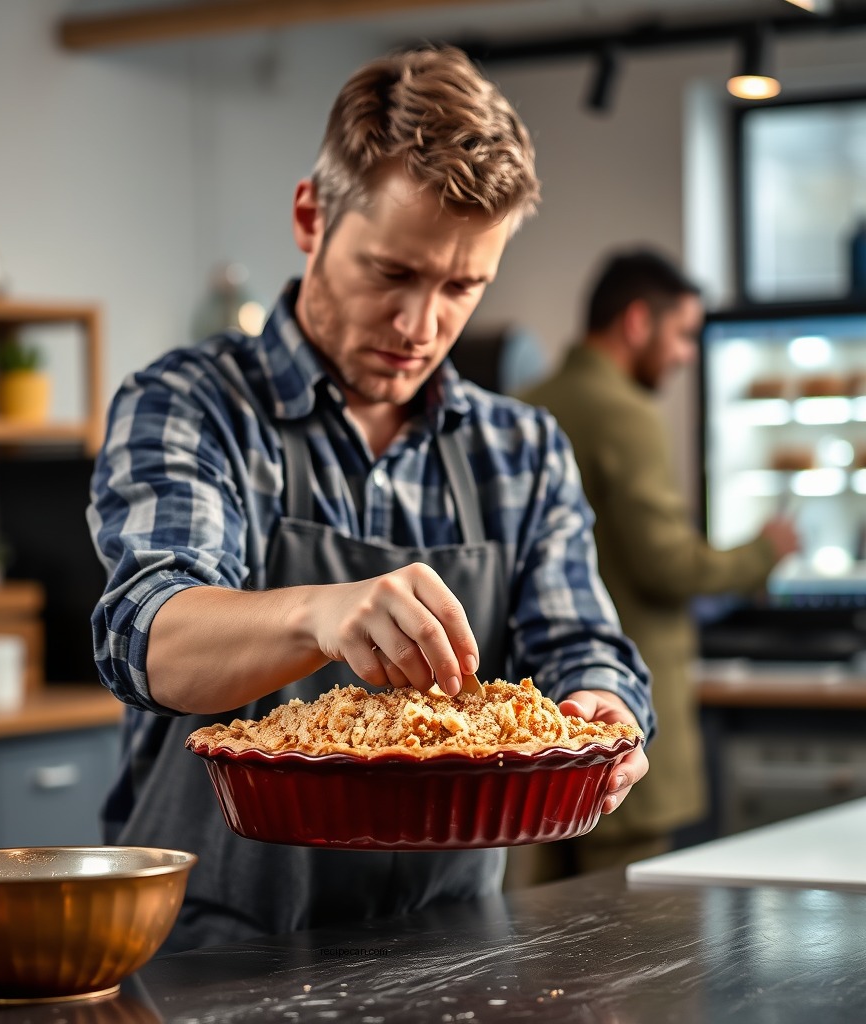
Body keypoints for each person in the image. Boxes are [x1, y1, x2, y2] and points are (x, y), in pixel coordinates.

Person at [87, 46, 655, 953]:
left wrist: (601, 709)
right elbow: (146, 633)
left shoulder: (522, 449)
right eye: (392, 272)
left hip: (452, 950)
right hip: (214, 954)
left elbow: (583, 644)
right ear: (311, 218)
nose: (420, 326)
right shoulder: (189, 405)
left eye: (462, 287)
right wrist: (318, 613)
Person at [519, 248, 800, 881]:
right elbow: (667, 564)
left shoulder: (530, 402)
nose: (686, 355)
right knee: (620, 933)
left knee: (542, 930)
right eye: (682, 335)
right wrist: (766, 552)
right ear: (637, 322)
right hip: (618, 720)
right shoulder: (624, 412)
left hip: (542, 730)